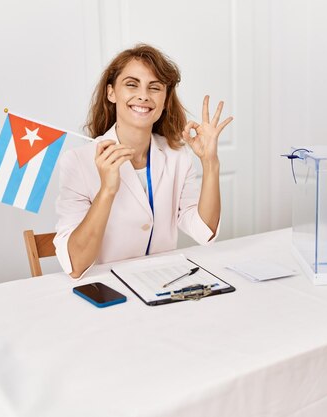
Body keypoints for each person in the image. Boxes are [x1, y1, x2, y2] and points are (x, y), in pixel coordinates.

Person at [53, 44, 233, 278]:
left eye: (155, 87)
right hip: (108, 290)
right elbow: (76, 265)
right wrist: (107, 190)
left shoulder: (177, 156)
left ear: (166, 99)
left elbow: (204, 231)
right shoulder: (77, 162)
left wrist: (210, 163)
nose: (143, 95)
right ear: (111, 93)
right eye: (131, 84)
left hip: (164, 283)